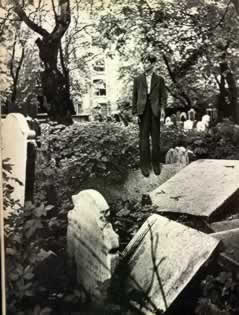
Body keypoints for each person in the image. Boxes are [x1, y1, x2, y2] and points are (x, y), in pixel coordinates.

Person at [132, 53, 167, 177]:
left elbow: (163, 96)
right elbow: (134, 97)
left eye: (147, 62)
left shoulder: (160, 79)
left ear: (152, 64)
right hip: (142, 112)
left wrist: (162, 109)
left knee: (156, 139)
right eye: (143, 62)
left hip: (155, 111)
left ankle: (156, 164)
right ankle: (145, 166)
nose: (144, 64)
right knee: (143, 140)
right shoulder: (137, 79)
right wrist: (135, 113)